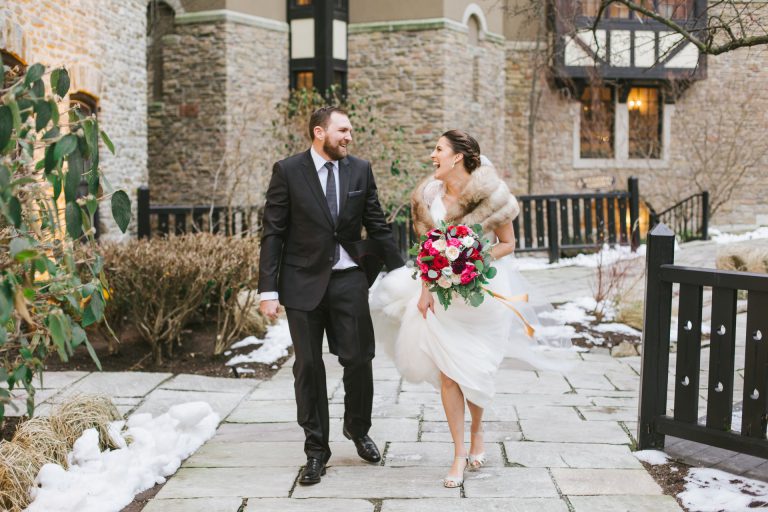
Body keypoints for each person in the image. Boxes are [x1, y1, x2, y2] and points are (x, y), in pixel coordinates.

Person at [370, 130, 565, 488]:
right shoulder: (427, 197)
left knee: (475, 371)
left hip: (484, 296)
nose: (433, 155)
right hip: (443, 298)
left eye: (439, 149)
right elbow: (427, 251)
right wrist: (427, 287)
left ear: (458, 156)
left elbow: (509, 243)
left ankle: (478, 430)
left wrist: (471, 257)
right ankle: (458, 452)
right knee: (448, 374)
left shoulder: (490, 195)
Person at [258, 106, 404, 485]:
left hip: (348, 279)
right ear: (319, 132)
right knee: (308, 367)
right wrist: (267, 289)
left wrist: (403, 273)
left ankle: (357, 428)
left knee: (358, 358)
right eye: (343, 130)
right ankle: (316, 451)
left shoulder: (359, 170)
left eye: (351, 131)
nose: (349, 137)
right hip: (301, 283)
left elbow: (377, 224)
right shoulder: (288, 171)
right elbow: (273, 232)